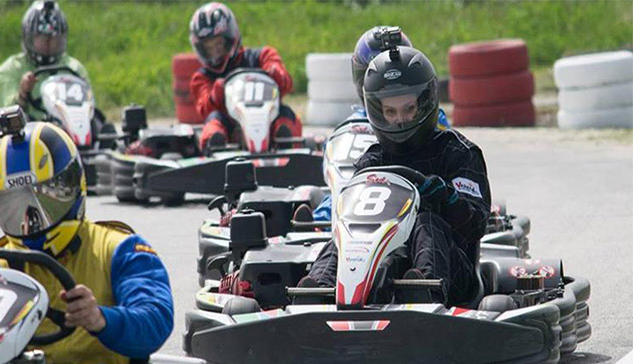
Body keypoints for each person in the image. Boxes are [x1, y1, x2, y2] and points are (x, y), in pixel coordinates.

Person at [0, 112, 173, 364]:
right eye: (16, 206)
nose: (31, 221)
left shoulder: (119, 249)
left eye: (43, 200)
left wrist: (102, 319)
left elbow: (156, 319)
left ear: (73, 188)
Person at [303, 45, 491, 307]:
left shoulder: (458, 153)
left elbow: (477, 225)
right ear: (376, 111)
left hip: (452, 275)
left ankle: (424, 292)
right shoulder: (372, 159)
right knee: (347, 235)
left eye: (408, 108)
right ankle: (316, 295)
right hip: (382, 271)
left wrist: (446, 199)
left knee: (427, 222)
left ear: (425, 102)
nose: (400, 121)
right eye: (390, 112)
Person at [312, 26, 451, 222]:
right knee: (333, 204)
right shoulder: (351, 123)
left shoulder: (429, 117)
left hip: (416, 190)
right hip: (360, 190)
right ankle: (327, 224)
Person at [188, 2, 302, 153]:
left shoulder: (262, 56)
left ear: (230, 37)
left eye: (219, 44)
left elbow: (287, 84)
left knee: (284, 112)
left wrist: (275, 73)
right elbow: (203, 108)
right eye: (209, 48)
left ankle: (285, 144)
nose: (215, 52)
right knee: (214, 119)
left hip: (267, 118)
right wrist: (217, 93)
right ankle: (215, 147)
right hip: (231, 129)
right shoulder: (202, 77)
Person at [0, 0, 91, 121]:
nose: (48, 43)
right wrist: (23, 92)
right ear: (29, 37)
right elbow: (8, 115)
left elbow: (88, 105)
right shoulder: (9, 70)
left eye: (53, 38)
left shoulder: (74, 68)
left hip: (68, 127)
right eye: (42, 37)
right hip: (31, 134)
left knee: (99, 123)